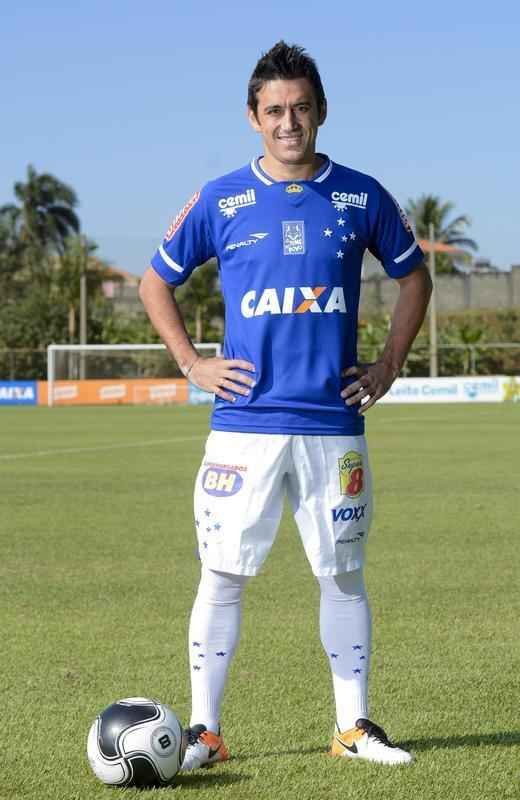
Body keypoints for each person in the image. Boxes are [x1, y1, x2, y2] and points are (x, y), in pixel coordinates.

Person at [139, 41, 432, 768]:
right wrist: (192, 362)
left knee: (342, 574)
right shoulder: (220, 198)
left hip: (334, 423)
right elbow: (155, 281)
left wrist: (390, 363)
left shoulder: (362, 196)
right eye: (274, 110)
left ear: (321, 110)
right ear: (252, 117)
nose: (288, 121)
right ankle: (205, 732)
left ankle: (353, 728)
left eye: (301, 107)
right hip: (244, 426)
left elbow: (415, 277)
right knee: (223, 574)